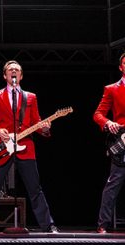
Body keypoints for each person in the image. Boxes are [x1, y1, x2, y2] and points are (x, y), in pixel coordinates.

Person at [0, 60, 59, 233]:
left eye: (17, 70)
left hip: (26, 147)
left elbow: (36, 121)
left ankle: (48, 226)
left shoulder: (31, 97)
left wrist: (44, 128)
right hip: (3, 147)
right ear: (5, 75)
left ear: (21, 75)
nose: (14, 72)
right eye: (10, 70)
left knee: (35, 188)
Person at [93, 52, 125, 234]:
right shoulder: (112, 89)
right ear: (121, 67)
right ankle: (102, 224)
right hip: (121, 142)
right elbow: (98, 114)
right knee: (113, 183)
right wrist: (108, 122)